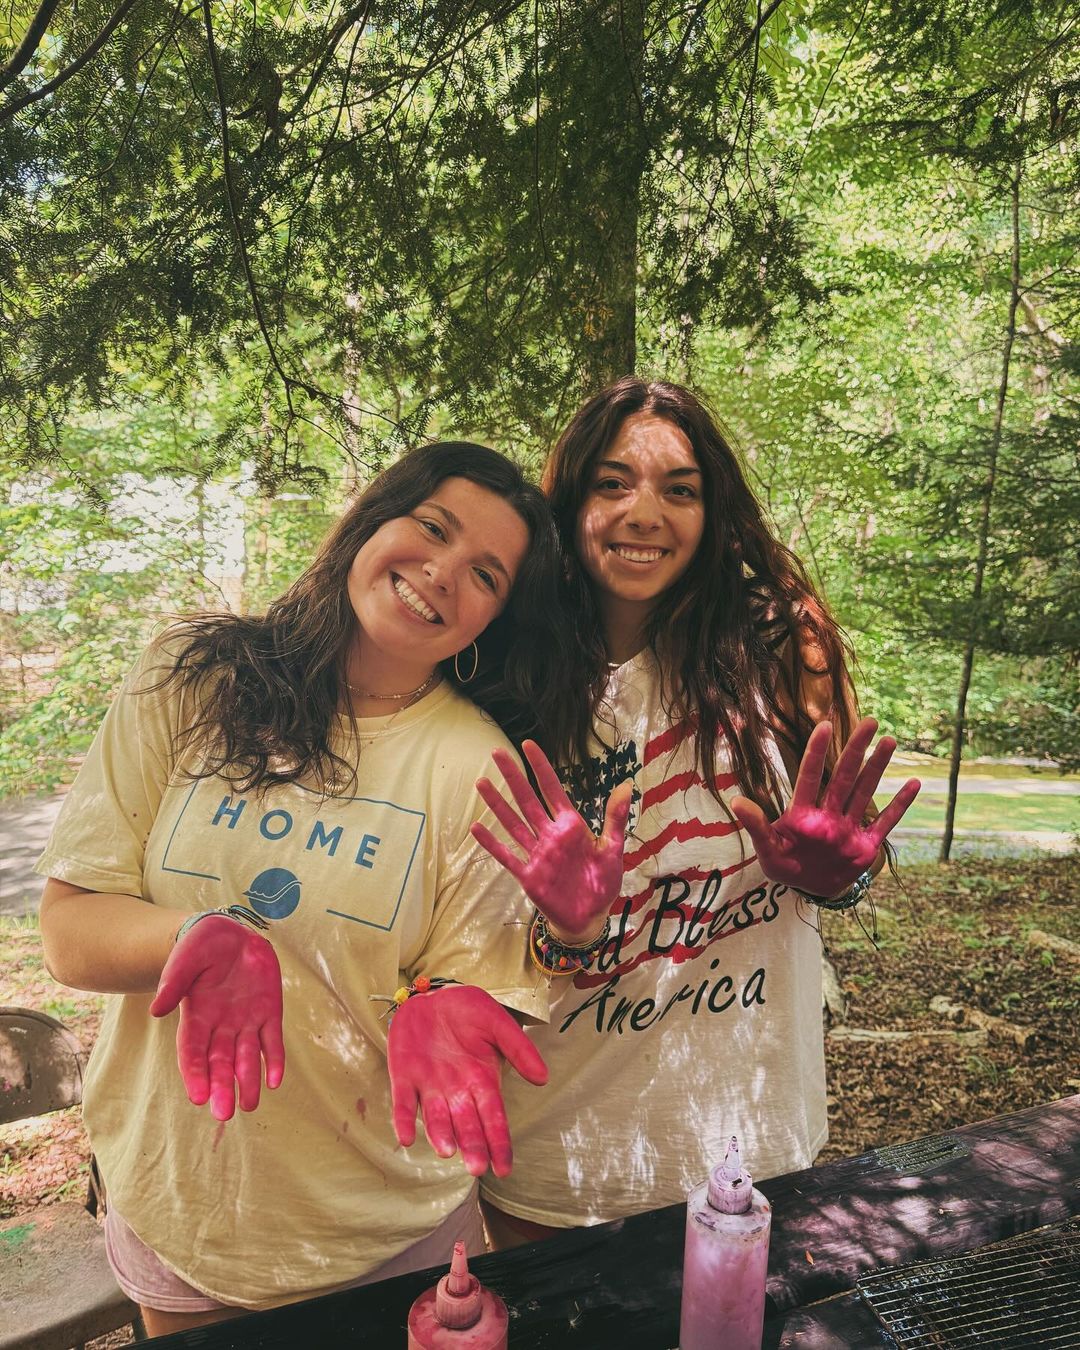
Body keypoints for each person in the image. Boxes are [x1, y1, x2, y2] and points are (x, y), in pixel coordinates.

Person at [36, 442, 570, 1334]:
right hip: (180, 1200)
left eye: (486, 574)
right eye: (432, 527)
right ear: (371, 519)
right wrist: (191, 938)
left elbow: (466, 995)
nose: (442, 573)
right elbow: (69, 929)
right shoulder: (191, 676)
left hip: (386, 1229)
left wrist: (443, 998)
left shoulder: (482, 768)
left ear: (494, 619)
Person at [459, 378, 921, 1244]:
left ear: (712, 514)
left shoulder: (780, 645)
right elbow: (473, 929)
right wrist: (569, 928)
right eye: (612, 483)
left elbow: (831, 849)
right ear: (569, 501)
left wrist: (838, 880)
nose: (645, 513)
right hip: (558, 1152)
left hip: (751, 1141)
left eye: (680, 489)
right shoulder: (502, 668)